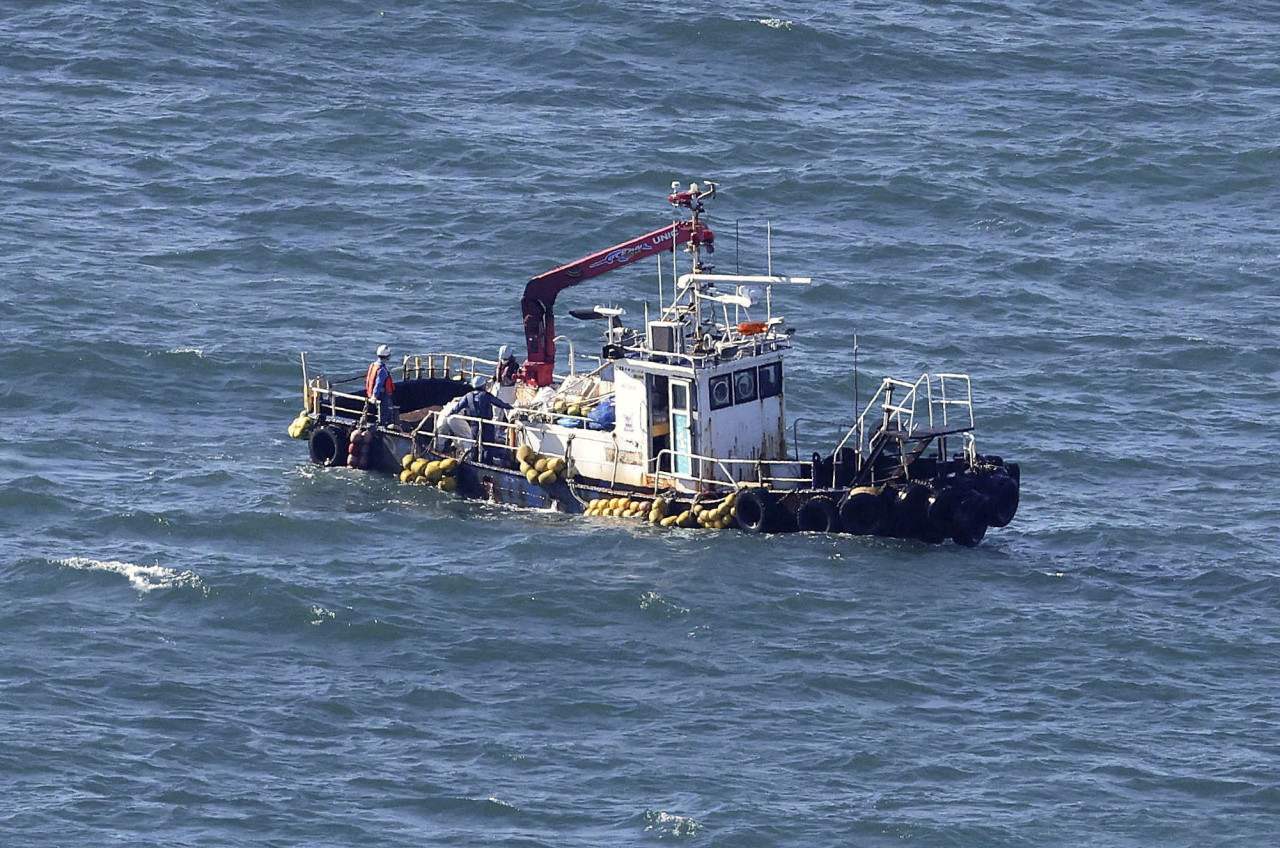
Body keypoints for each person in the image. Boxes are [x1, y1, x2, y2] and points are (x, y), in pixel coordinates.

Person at [444, 375, 514, 463]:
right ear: (483, 385)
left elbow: (457, 408)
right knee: (488, 446)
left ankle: (474, 461)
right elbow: (499, 403)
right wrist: (510, 407)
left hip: (474, 425)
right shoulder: (486, 395)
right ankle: (487, 463)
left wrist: (449, 414)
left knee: (475, 444)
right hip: (487, 424)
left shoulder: (467, 396)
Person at [366, 345, 396, 426]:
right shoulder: (382, 369)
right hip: (382, 395)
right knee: (385, 411)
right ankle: (383, 424)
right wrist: (374, 396)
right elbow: (378, 383)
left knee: (382, 411)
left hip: (376, 393)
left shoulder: (375, 365)